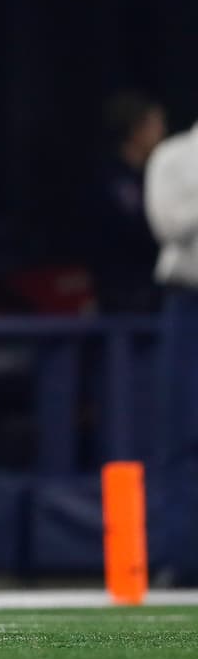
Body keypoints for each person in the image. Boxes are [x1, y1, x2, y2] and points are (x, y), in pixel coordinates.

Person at [143, 118, 198, 586]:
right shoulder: (174, 156)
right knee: (182, 433)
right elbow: (170, 224)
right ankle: (181, 558)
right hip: (189, 301)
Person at [89, 92, 166, 313]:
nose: (162, 132)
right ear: (136, 131)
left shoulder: (152, 175)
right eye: (155, 125)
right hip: (123, 293)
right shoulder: (112, 178)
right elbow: (139, 231)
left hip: (152, 290)